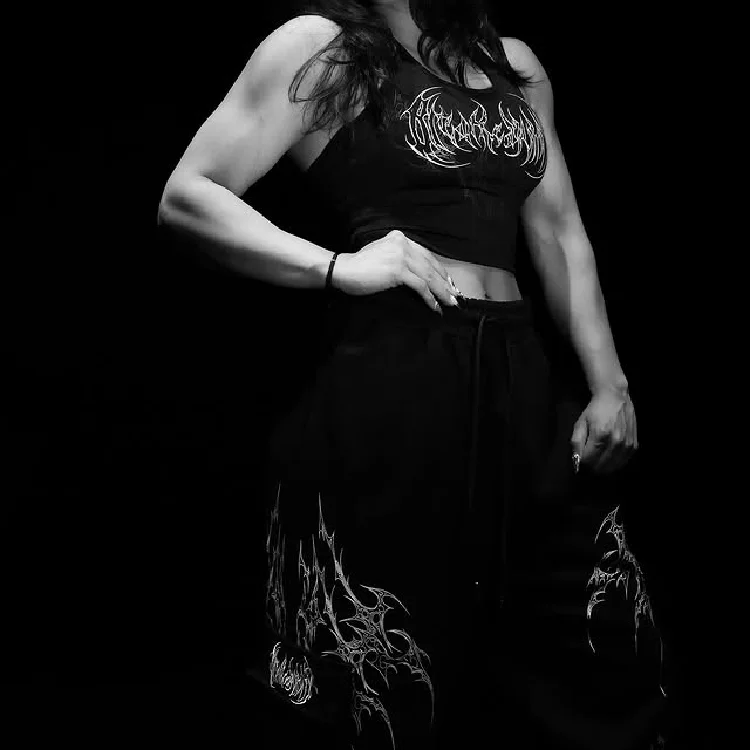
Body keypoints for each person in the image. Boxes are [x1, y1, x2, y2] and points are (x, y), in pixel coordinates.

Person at [157, 1, 670, 747]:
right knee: (378, 673)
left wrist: (609, 383)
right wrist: (336, 267)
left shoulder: (515, 66)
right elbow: (188, 195)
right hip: (394, 376)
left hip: (519, 379)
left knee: (607, 657)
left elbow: (559, 231)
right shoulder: (325, 47)